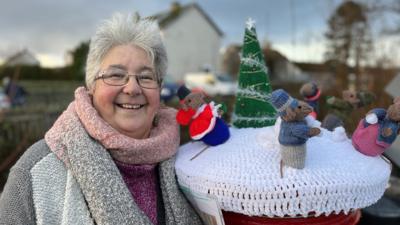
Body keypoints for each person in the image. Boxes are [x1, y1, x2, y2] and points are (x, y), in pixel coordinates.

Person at [0, 13, 203, 225]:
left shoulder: (190, 166)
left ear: (159, 89)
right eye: (116, 75)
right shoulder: (36, 170)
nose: (132, 88)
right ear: (92, 87)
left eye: (145, 77)